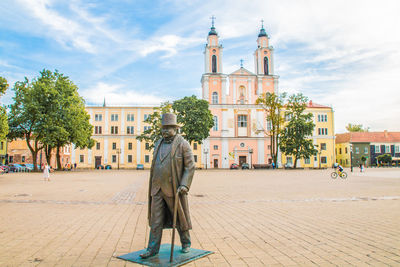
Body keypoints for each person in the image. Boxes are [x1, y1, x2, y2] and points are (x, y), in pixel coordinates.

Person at [140, 113, 195, 259]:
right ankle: (152, 249)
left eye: (168, 128)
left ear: (175, 129)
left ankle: (186, 242)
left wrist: (184, 184)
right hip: (156, 188)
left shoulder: (183, 144)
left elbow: (190, 166)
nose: (165, 131)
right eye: (163, 128)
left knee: (179, 217)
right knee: (155, 220)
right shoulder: (158, 143)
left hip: (173, 189)